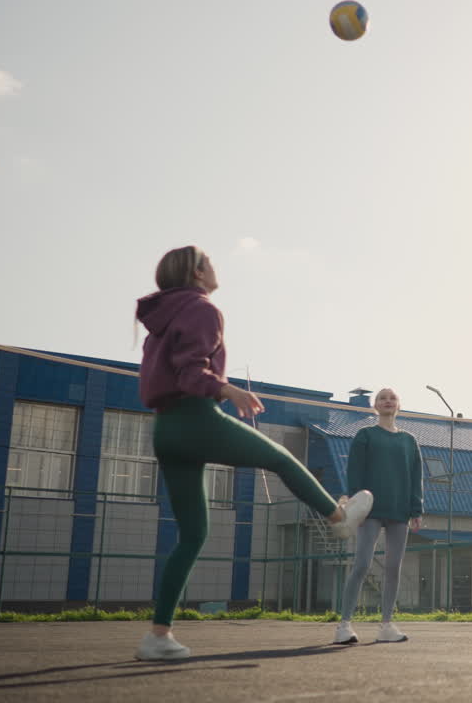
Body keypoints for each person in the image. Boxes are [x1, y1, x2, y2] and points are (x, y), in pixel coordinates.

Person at [134, 245, 372, 661]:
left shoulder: (162, 317)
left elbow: (170, 370)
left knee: (192, 535)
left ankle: (158, 634)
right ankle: (338, 519)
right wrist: (227, 388)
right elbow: (191, 370)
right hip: (195, 418)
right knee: (280, 457)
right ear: (196, 271)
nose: (216, 269)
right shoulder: (202, 307)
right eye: (211, 262)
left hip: (166, 428)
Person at [334, 387, 424, 644]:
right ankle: (344, 625)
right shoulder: (365, 435)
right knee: (362, 564)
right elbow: (355, 472)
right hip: (370, 511)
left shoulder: (409, 440)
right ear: (375, 405)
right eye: (382, 398)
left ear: (398, 405)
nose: (387, 401)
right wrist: (355, 506)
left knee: (394, 567)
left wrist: (416, 509)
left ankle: (386, 625)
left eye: (392, 397)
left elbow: (416, 477)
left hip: (400, 511)